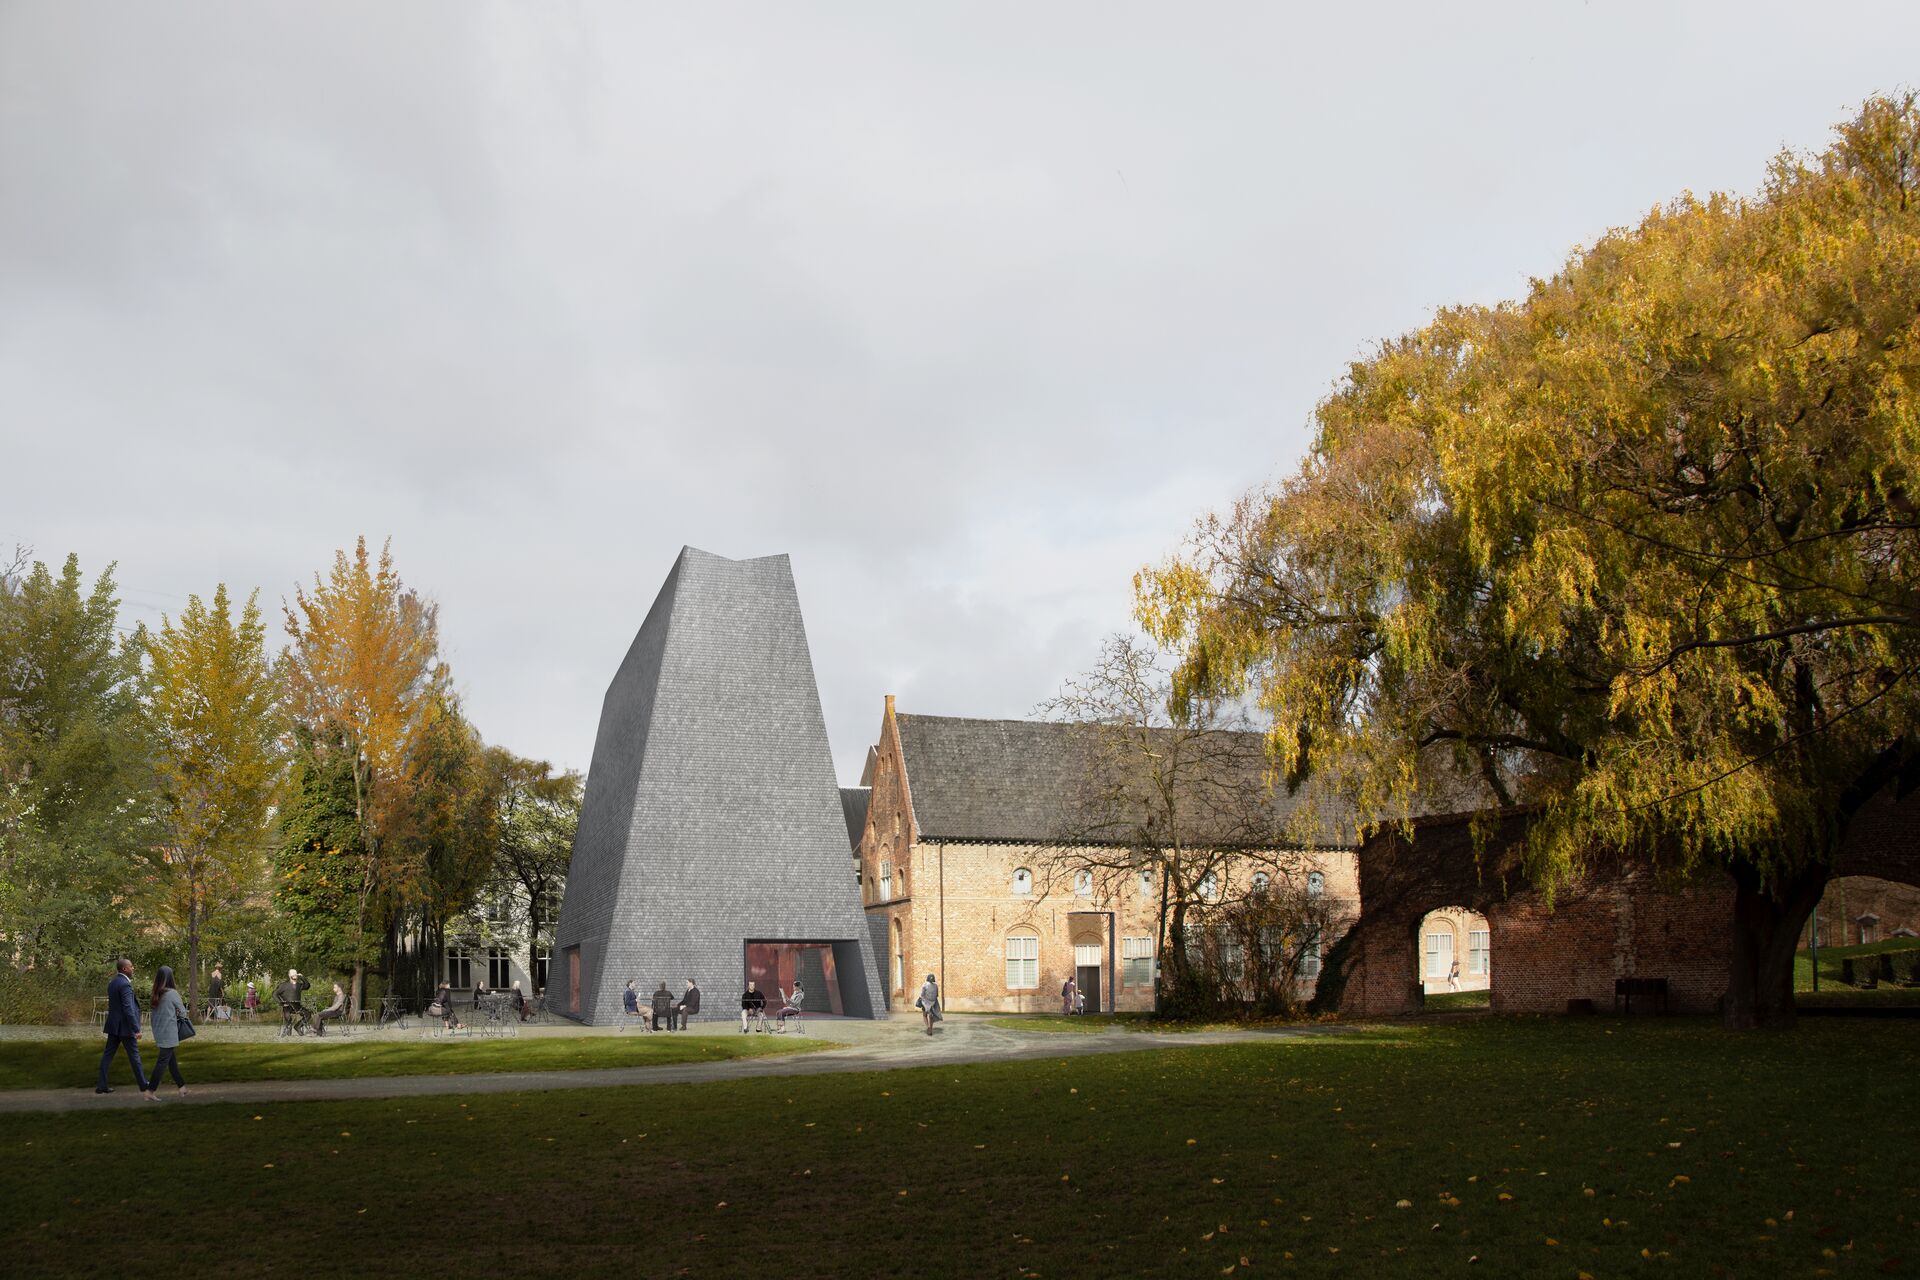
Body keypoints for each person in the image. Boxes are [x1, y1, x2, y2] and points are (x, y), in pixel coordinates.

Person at [96, 957, 147, 1095]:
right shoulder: (125, 984)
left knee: (107, 1055)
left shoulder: (112, 983)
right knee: (134, 1056)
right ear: (125, 968)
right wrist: (136, 1029)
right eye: (131, 966)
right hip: (125, 1027)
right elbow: (128, 1009)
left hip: (114, 1026)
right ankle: (143, 1084)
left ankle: (101, 1085)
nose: (133, 968)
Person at [145, 965, 189, 1100]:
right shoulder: (172, 993)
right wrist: (177, 1015)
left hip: (159, 1031)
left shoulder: (156, 993)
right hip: (169, 1032)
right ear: (171, 978)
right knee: (163, 1062)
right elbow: (183, 1013)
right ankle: (150, 1091)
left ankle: (182, 1087)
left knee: (171, 1061)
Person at [274, 969, 312, 1035]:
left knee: (308, 1014)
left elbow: (307, 986)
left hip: (297, 1006)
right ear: (289, 975)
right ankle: (289, 1027)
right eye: (293, 973)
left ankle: (298, 1026)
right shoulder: (283, 985)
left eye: (296, 973)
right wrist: (281, 1003)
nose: (295, 974)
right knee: (288, 1017)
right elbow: (274, 994)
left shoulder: (299, 985)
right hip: (287, 1006)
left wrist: (302, 977)